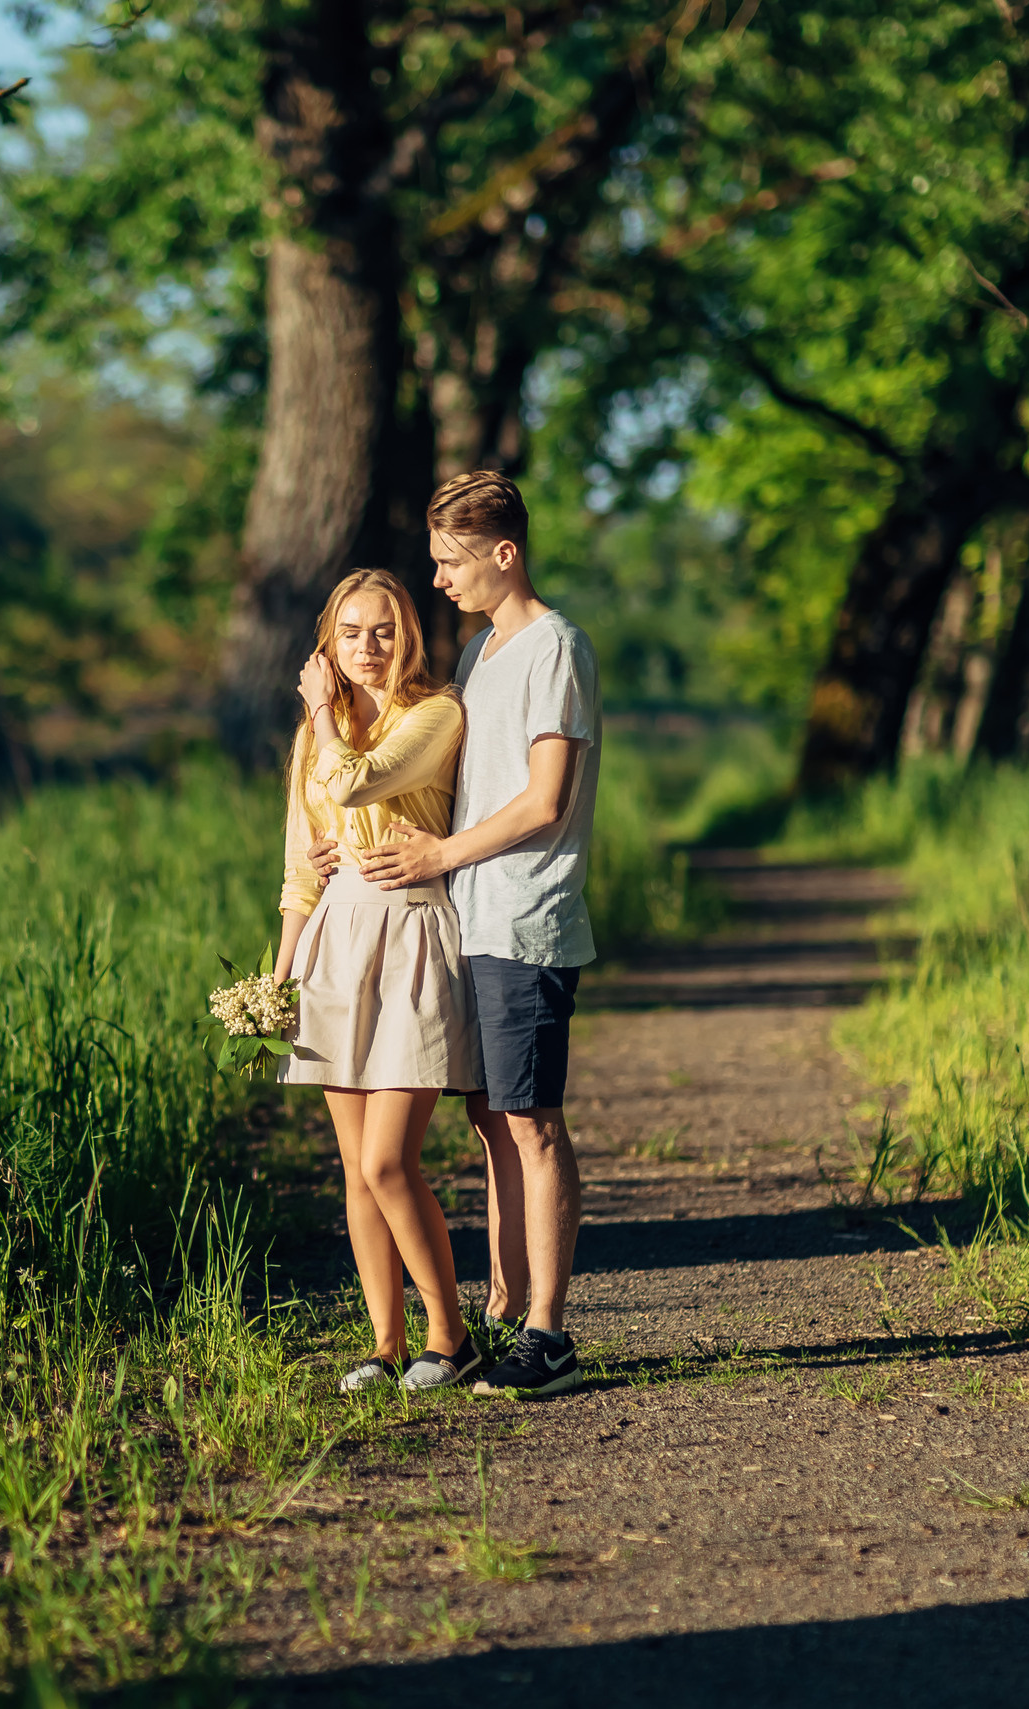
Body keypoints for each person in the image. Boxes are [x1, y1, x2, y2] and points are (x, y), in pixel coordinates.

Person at [352, 471, 600, 1399]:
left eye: (453, 562)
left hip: (527, 917)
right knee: (493, 1119)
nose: (441, 580)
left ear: (505, 553)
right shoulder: (482, 654)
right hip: (471, 916)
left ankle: (551, 1336)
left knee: (533, 1122)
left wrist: (441, 853)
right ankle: (503, 1315)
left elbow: (544, 801)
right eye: (435, 563)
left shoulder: (554, 649)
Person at [274, 568, 489, 1394]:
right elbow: (301, 869)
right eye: (351, 633)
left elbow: (359, 781)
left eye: (385, 631)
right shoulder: (311, 737)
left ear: (410, 637)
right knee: (354, 1165)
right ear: (329, 641)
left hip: (410, 932)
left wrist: (326, 714)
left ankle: (452, 1335)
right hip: (339, 937)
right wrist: (278, 980)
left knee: (391, 1160)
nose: (368, 649)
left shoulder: (436, 714)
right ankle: (385, 1341)